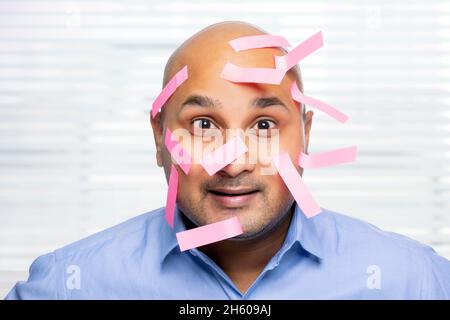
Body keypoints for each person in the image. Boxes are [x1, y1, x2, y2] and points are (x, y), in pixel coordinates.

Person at [6, 21, 450, 299]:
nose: (233, 163)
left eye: (263, 127)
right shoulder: (70, 285)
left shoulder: (416, 283)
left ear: (307, 133)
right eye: (203, 125)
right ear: (159, 137)